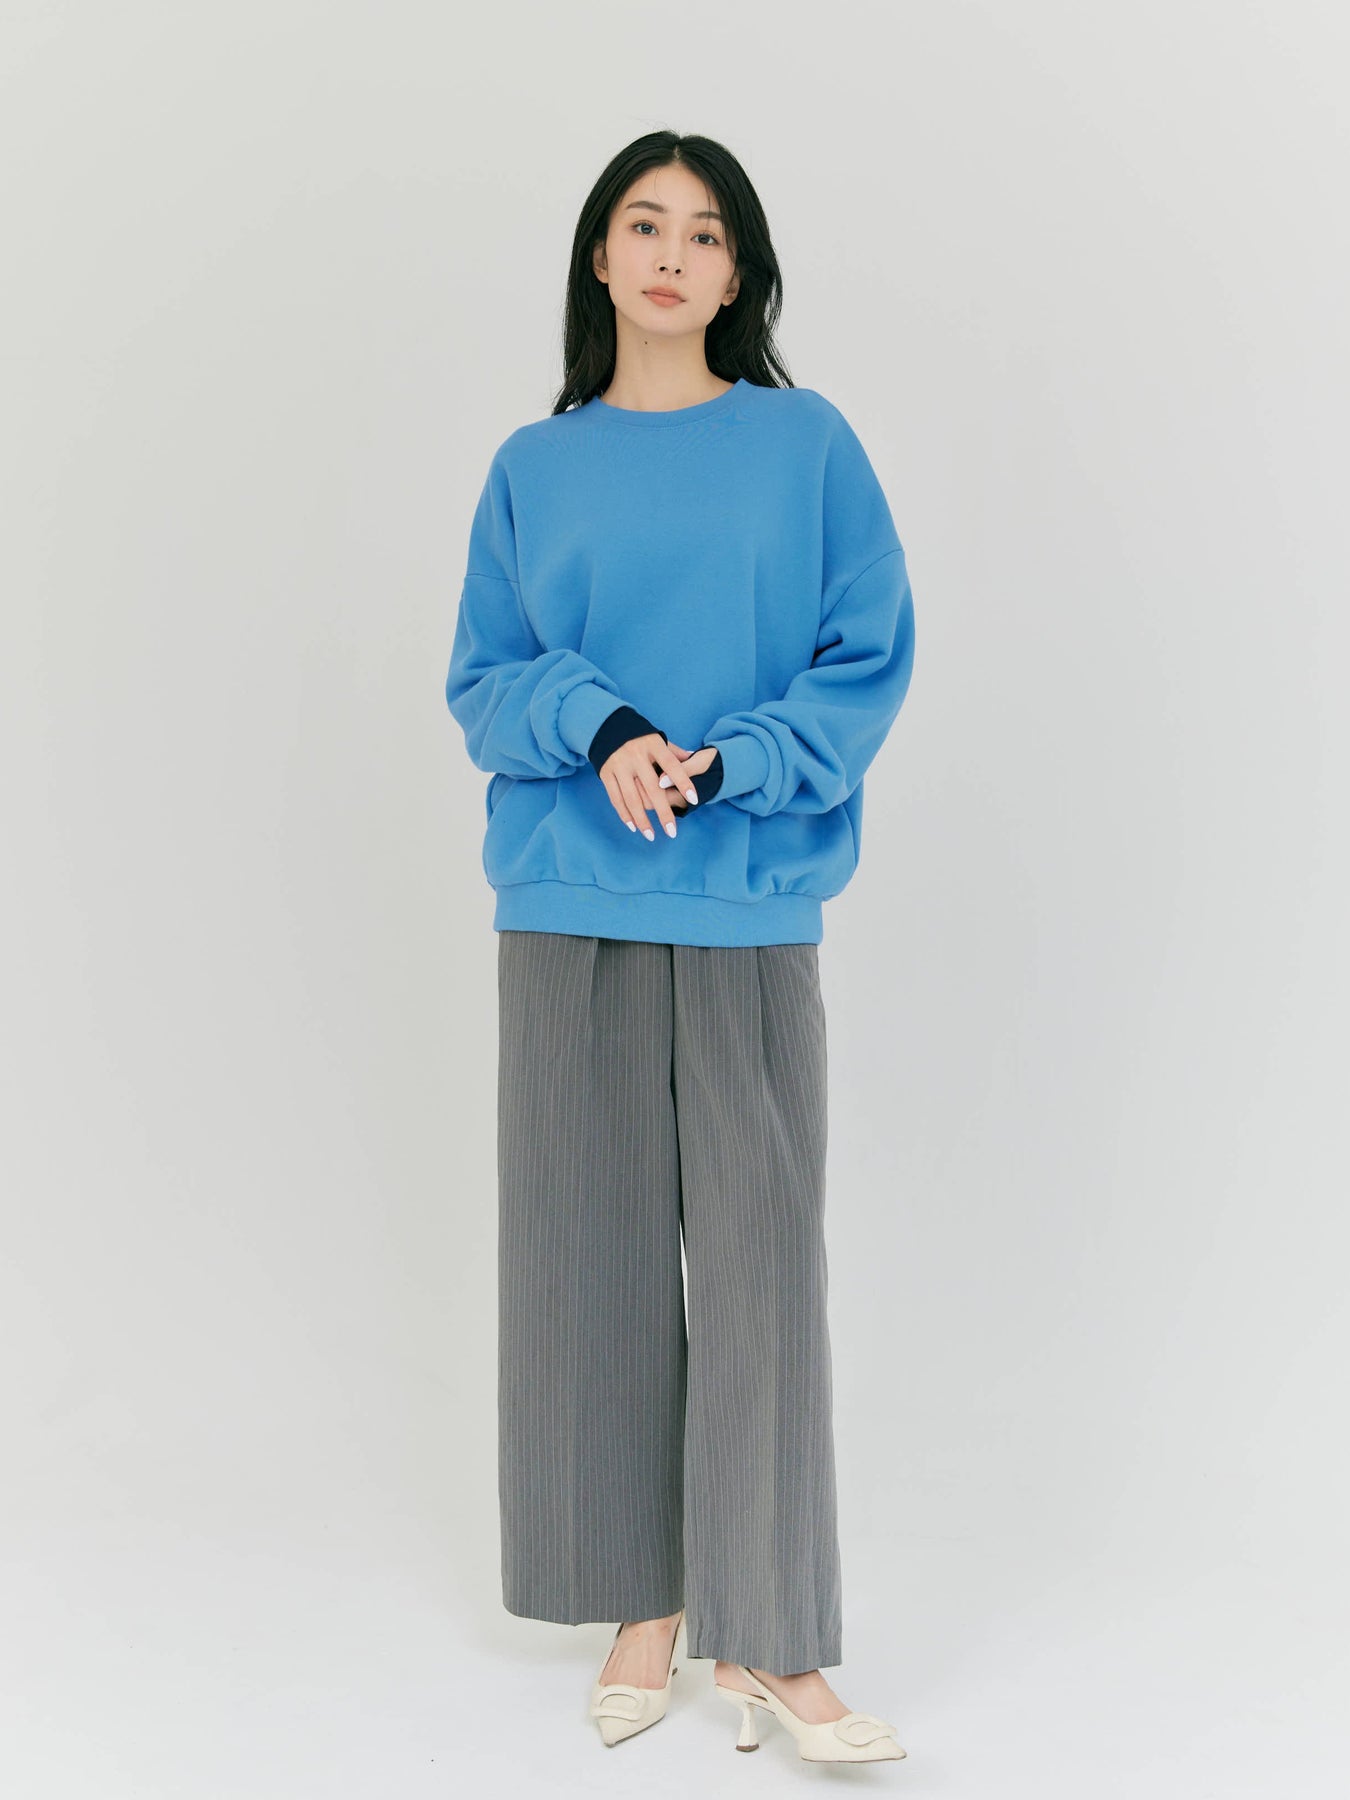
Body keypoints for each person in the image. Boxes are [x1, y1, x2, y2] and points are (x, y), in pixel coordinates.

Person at [445, 130, 916, 1763]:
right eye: (642, 224)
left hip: (742, 897)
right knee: (585, 1265)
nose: (670, 254)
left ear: (738, 273)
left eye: (704, 233)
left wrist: (731, 761)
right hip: (565, 900)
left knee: (764, 1266)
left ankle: (769, 1641)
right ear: (599, 256)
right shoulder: (535, 464)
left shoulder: (804, 445)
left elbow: (865, 654)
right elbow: (484, 680)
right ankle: (638, 1601)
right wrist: (605, 726)